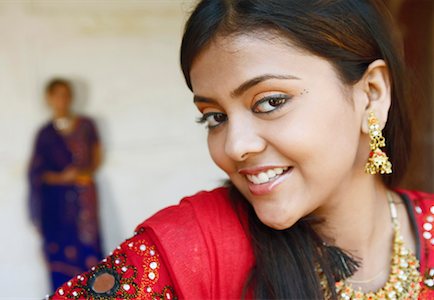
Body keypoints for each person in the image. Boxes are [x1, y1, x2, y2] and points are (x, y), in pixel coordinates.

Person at [51, 1, 434, 299]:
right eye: (215, 117)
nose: (234, 147)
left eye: (269, 102)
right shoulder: (191, 249)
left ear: (372, 93)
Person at [29, 78, 104, 291]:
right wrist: (63, 178)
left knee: (90, 255)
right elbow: (37, 173)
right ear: (49, 99)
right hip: (57, 205)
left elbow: (96, 158)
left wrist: (80, 174)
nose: (62, 99)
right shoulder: (45, 135)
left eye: (66, 94)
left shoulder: (86, 126)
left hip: (84, 200)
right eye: (57, 95)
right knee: (60, 256)